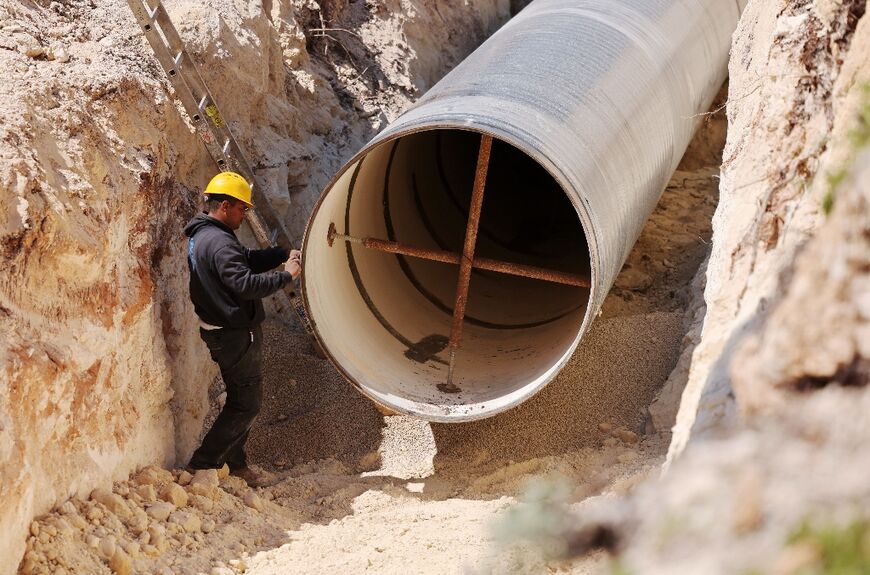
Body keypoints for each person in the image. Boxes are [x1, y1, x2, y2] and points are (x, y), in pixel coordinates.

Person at [182, 171, 301, 487]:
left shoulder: (206, 236)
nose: (245, 214)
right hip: (234, 335)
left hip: (223, 330)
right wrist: (286, 275)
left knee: (242, 399)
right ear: (224, 206)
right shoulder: (219, 242)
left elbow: (244, 260)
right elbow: (245, 284)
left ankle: (236, 464)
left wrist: (277, 255)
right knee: (246, 404)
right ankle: (204, 462)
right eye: (242, 208)